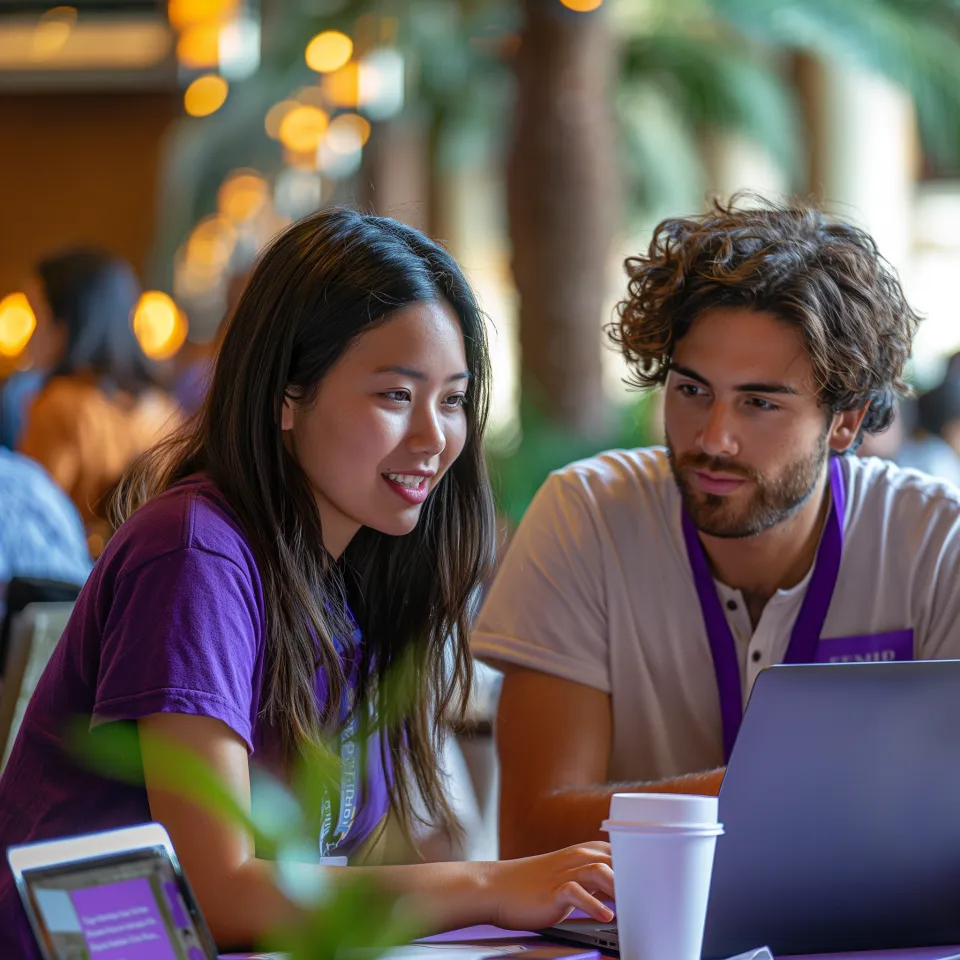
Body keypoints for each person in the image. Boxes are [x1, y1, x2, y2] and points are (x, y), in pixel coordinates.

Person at [0, 210, 613, 958]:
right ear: (288, 395)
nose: (433, 437)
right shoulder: (195, 553)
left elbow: (330, 873)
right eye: (395, 395)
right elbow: (214, 889)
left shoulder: (347, 571)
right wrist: (493, 885)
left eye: (452, 399)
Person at [473, 198, 960, 860]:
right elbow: (533, 834)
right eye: (692, 390)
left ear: (844, 422)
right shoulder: (586, 518)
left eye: (759, 403)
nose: (713, 439)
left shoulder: (935, 543)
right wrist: (818, 789)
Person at [16, 248, 179, 541]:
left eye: (36, 315)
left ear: (66, 324)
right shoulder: (164, 408)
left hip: (71, 580)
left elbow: (27, 519)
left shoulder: (59, 406)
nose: (27, 335)